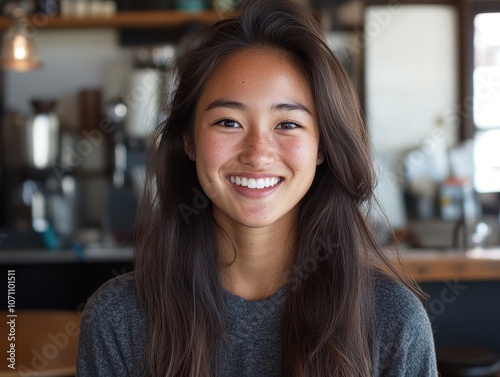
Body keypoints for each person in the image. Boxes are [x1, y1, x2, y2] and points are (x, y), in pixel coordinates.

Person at [77, 0, 438, 376]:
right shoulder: (118, 320)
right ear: (188, 140)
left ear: (323, 145)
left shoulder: (393, 322)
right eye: (229, 122)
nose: (258, 153)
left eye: (288, 124)